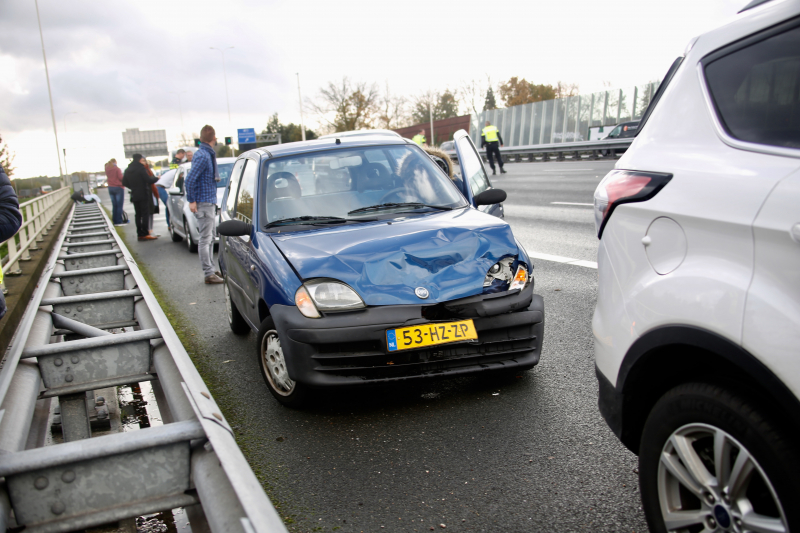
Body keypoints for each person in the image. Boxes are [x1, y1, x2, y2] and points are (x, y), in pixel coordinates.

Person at [185, 126, 223, 284]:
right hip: (203, 201)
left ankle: (211, 270)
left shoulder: (205, 154)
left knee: (210, 238)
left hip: (208, 200)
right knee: (206, 239)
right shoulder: (203, 156)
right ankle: (209, 273)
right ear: (214, 138)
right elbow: (189, 179)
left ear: (201, 139)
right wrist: (192, 200)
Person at [123, 154, 158, 241]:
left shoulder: (127, 170)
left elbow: (124, 182)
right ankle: (146, 233)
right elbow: (148, 180)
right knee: (145, 213)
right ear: (139, 160)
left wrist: (133, 187)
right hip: (143, 193)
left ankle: (139, 234)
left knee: (138, 214)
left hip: (134, 194)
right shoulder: (141, 169)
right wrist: (156, 178)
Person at [104, 158, 126, 226]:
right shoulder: (117, 169)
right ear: (115, 162)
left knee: (114, 205)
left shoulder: (107, 169)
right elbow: (120, 178)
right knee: (119, 205)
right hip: (118, 187)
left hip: (110, 187)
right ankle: (119, 221)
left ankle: (115, 220)